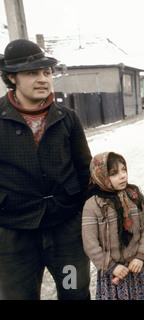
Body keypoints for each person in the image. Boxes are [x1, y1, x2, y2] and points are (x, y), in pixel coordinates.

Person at [0, 39, 92, 299]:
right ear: (11, 77)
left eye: (47, 72)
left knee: (75, 291)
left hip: (66, 233)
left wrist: (83, 215)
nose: (43, 79)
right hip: (15, 236)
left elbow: (84, 170)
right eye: (32, 73)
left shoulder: (67, 118)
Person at [82, 152, 144, 300]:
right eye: (114, 173)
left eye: (124, 170)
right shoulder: (93, 205)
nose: (123, 176)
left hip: (138, 268)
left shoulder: (135, 196)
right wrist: (110, 266)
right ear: (100, 175)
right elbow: (90, 243)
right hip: (112, 275)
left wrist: (141, 256)